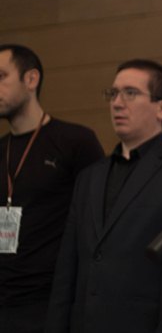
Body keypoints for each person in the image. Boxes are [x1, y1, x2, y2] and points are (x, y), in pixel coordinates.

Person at [45, 59, 162, 333]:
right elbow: (68, 269)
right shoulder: (90, 176)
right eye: (113, 93)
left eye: (130, 93)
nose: (117, 103)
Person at [0, 45, 104, 333]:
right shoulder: (2, 148)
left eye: (1, 76)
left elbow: (98, 221)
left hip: (49, 304)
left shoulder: (75, 141)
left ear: (31, 79)